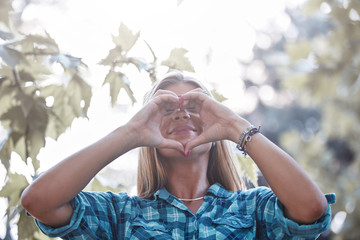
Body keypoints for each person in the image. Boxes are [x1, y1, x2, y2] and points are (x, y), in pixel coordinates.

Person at [21, 70, 335, 239]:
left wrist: (235, 125)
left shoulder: (252, 208)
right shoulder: (121, 216)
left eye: (196, 108)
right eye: (167, 109)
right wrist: (130, 134)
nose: (182, 116)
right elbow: (40, 201)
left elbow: (310, 209)